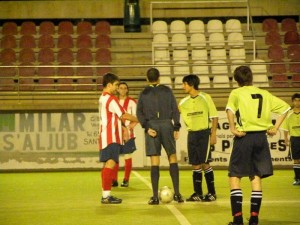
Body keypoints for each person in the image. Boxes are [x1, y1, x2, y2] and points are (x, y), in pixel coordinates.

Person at [225, 66, 290, 225]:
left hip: (244, 137)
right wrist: (275, 128)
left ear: (237, 80)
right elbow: (286, 108)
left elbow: (230, 110)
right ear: (251, 78)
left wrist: (233, 128)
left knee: (235, 176)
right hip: (261, 138)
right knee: (255, 177)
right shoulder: (264, 93)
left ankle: (238, 218)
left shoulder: (237, 93)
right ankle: (254, 218)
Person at [136, 67, 184, 205]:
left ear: (147, 78)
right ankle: (177, 194)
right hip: (167, 125)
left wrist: (146, 127)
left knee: (154, 160)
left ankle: (155, 197)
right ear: (159, 78)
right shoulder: (167, 90)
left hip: (152, 126)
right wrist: (176, 126)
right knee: (172, 157)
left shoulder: (144, 93)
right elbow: (175, 109)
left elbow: (139, 113)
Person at [98, 73, 138, 204]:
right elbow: (124, 115)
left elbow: (115, 117)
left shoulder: (103, 98)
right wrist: (141, 119)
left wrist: (123, 128)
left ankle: (105, 193)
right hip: (111, 137)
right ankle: (106, 196)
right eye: (115, 85)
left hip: (105, 136)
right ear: (109, 85)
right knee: (110, 163)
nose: (117, 88)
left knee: (107, 165)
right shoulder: (111, 99)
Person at [178, 74, 218, 202]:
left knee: (205, 163)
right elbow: (173, 113)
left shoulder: (206, 97)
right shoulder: (183, 102)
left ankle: (212, 193)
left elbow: (215, 117)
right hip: (192, 135)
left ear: (191, 84)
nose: (182, 86)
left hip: (204, 134)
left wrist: (213, 134)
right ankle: (198, 193)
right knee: (195, 164)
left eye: (184, 84)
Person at [111, 82, 138, 187]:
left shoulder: (132, 102)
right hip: (116, 133)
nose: (122, 90)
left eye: (124, 88)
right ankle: (114, 179)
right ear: (117, 89)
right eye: (120, 88)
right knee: (115, 156)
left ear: (127, 90)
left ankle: (126, 179)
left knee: (127, 155)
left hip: (128, 133)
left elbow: (136, 116)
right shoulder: (114, 101)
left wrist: (132, 125)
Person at [281, 93, 300, 185]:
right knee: (296, 159)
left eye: (299, 100)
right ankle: (297, 179)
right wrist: (286, 139)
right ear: (292, 102)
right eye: (295, 100)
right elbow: (285, 128)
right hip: (295, 139)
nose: (297, 102)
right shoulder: (289, 114)